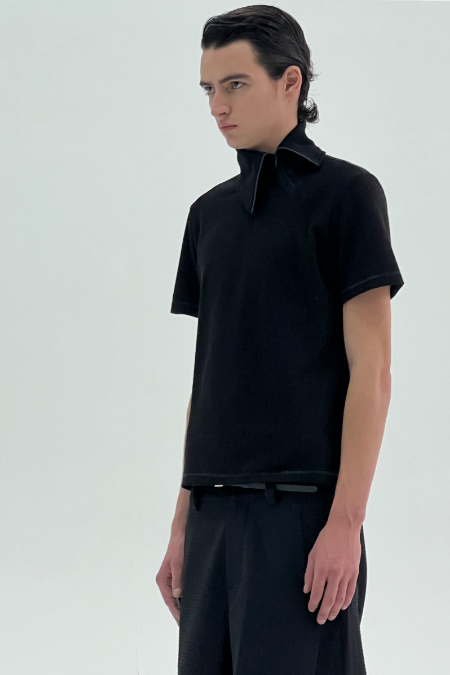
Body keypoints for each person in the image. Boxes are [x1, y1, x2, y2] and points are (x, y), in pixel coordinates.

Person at [156, 5, 405, 674]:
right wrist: (182, 523)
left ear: (290, 81)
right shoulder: (209, 216)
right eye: (208, 89)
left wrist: (345, 524)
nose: (218, 106)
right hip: (212, 512)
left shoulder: (347, 195)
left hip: (298, 517)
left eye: (235, 84)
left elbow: (373, 371)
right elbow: (210, 377)